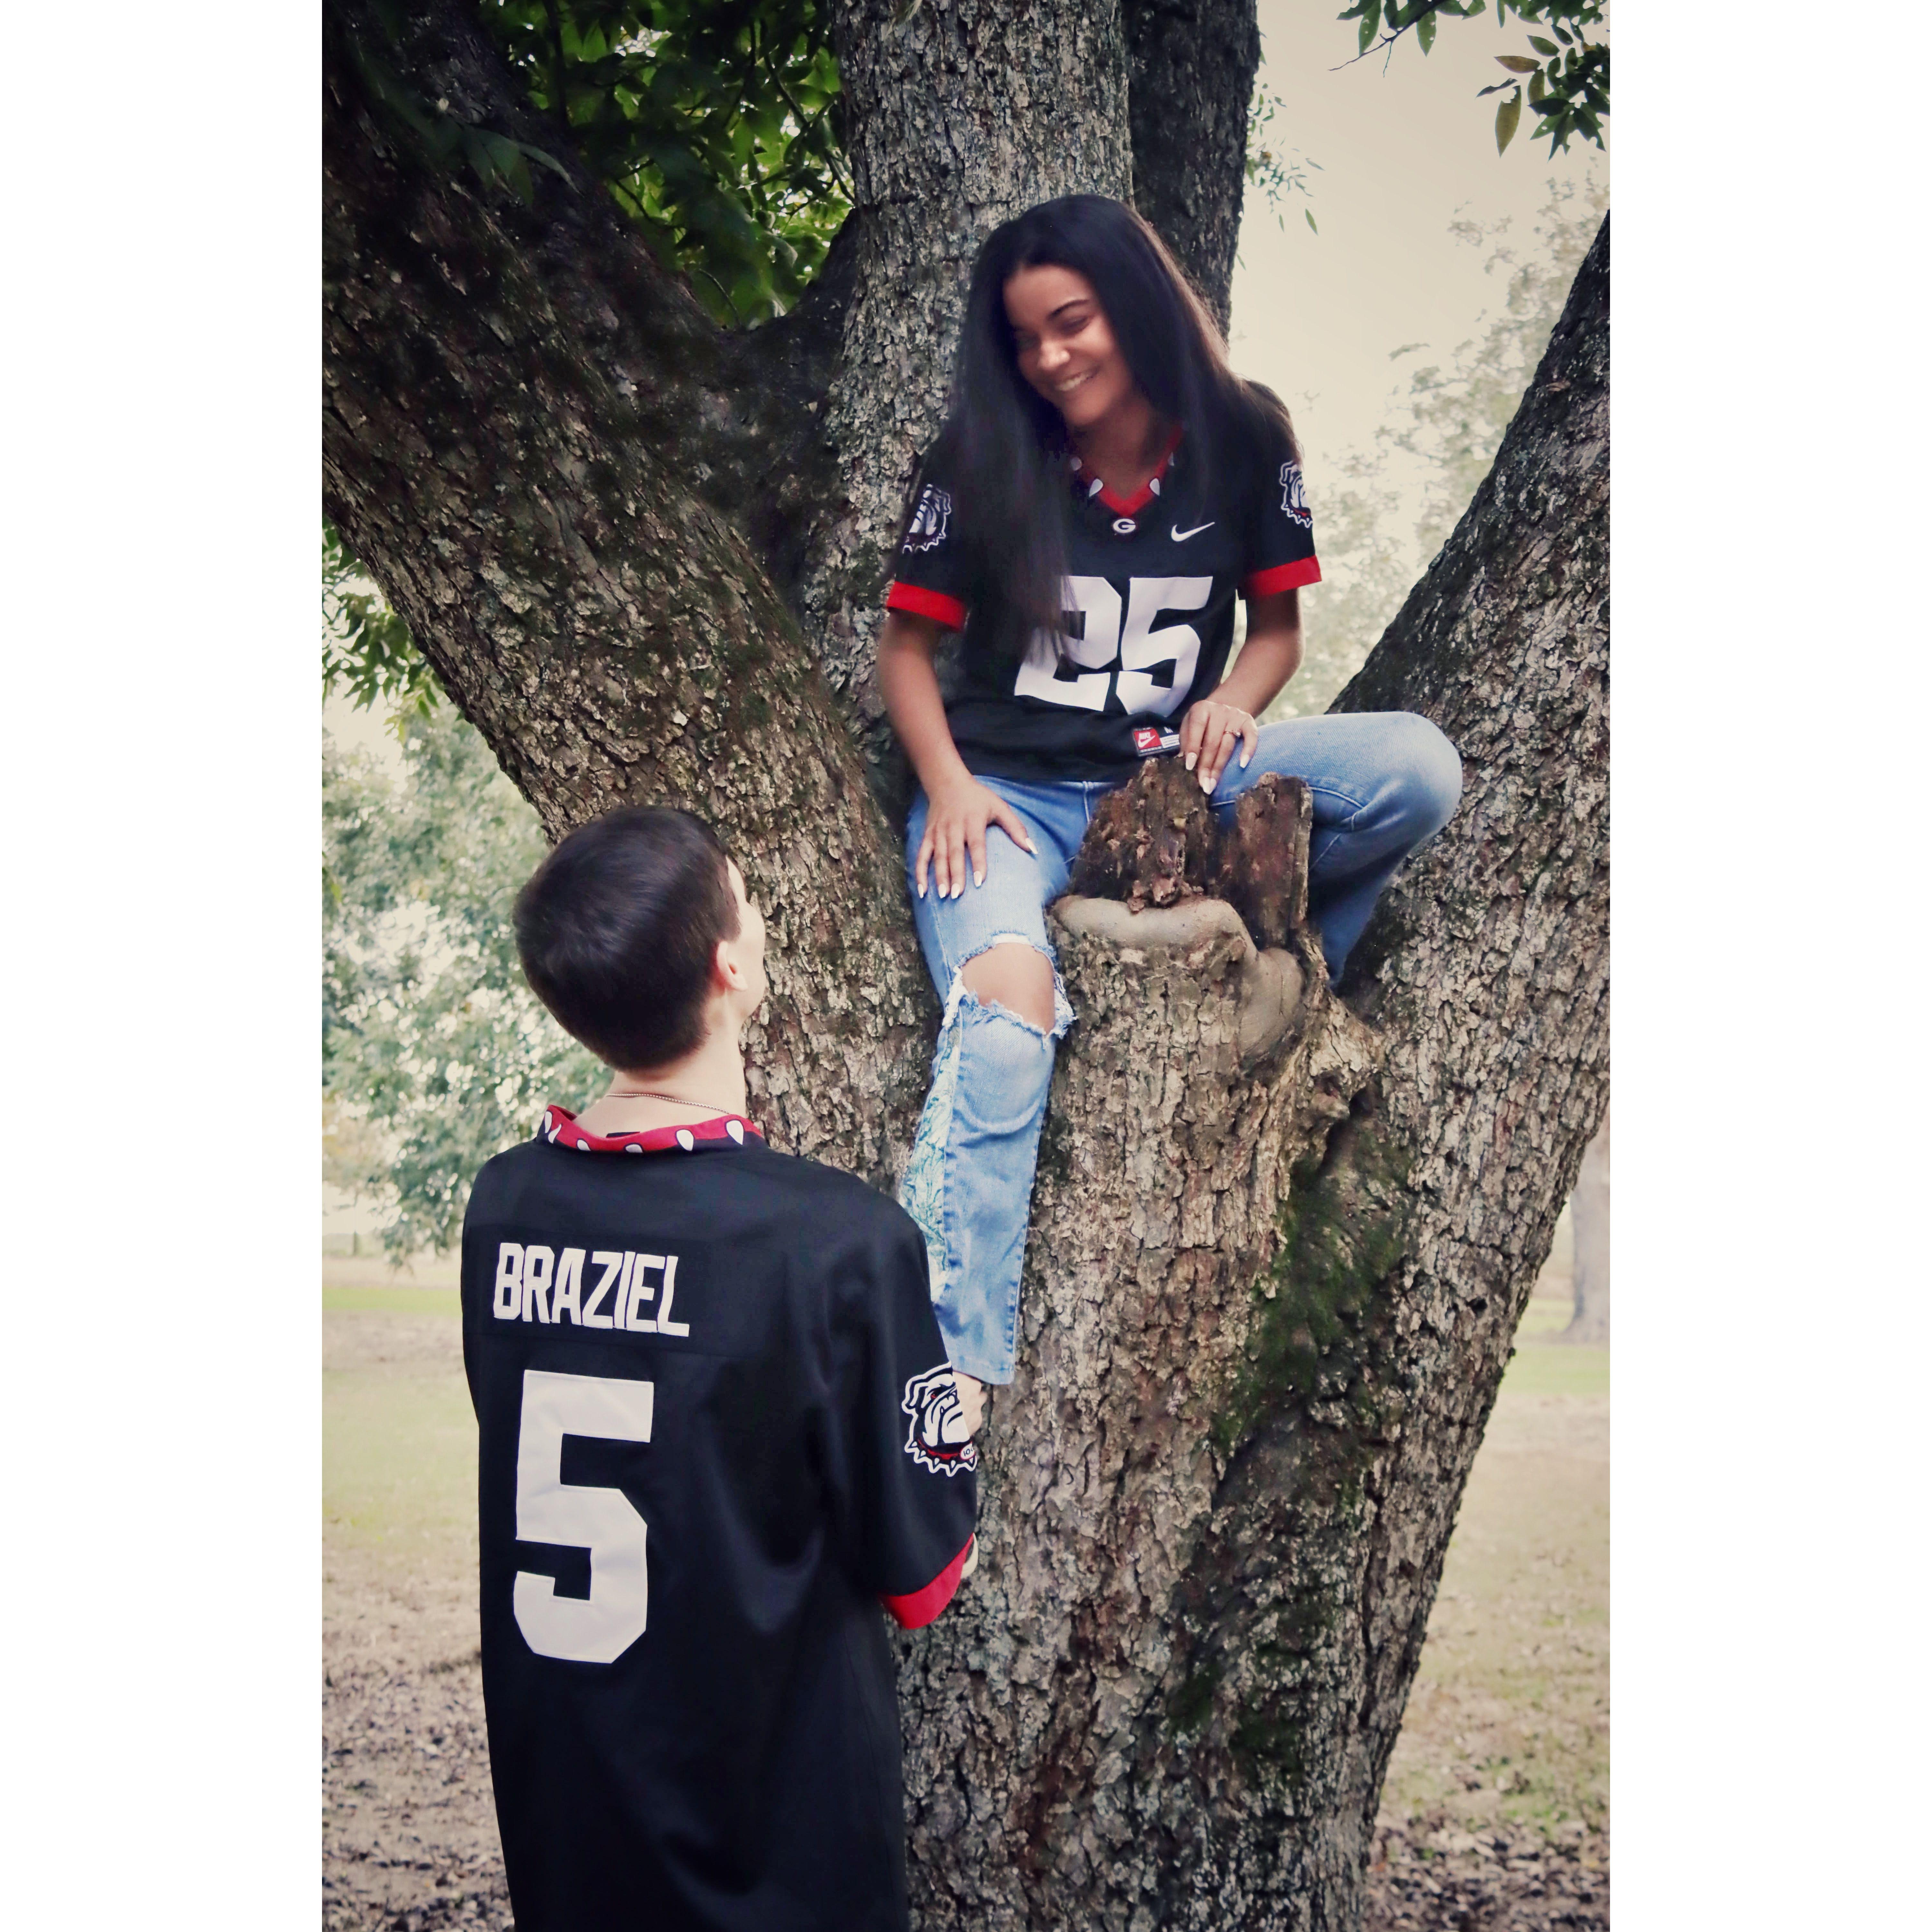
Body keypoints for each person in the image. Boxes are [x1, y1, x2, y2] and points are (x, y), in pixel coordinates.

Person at [879, 194, 1463, 1425]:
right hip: (1010, 801)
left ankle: (1292, 972)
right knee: (1002, 1022)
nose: (1050, 358)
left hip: (1175, 792)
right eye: (1024, 338)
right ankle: (953, 1367)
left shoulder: (1244, 437)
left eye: (1072, 322)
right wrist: (948, 787)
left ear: (1136, 306)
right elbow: (906, 653)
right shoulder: (980, 455)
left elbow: (1278, 631)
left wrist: (1233, 707)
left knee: (1416, 768)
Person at [460, 805, 977, 1932]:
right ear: (728, 966)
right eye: (745, 896)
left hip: (572, 1849)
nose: (757, 910)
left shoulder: (503, 1208)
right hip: (779, 1865)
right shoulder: (840, 1243)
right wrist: (951, 1409)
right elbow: (926, 1580)